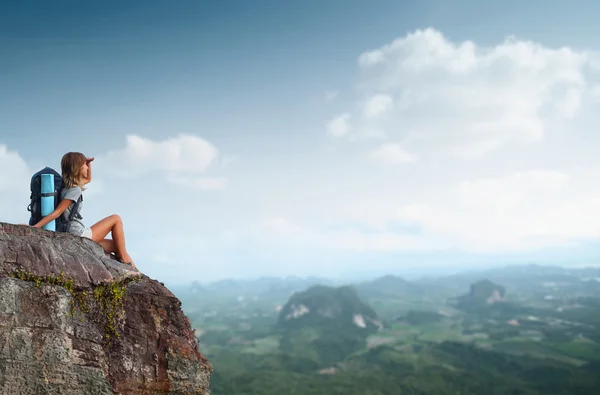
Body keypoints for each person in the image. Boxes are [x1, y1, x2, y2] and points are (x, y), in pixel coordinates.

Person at [32, 152, 136, 269]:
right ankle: (127, 263)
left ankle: (138, 273)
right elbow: (57, 212)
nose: (87, 167)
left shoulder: (67, 187)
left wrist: (88, 163)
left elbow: (88, 179)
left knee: (116, 245)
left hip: (74, 234)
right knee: (116, 219)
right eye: (84, 165)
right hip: (79, 234)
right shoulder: (74, 190)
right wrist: (35, 227)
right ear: (77, 167)